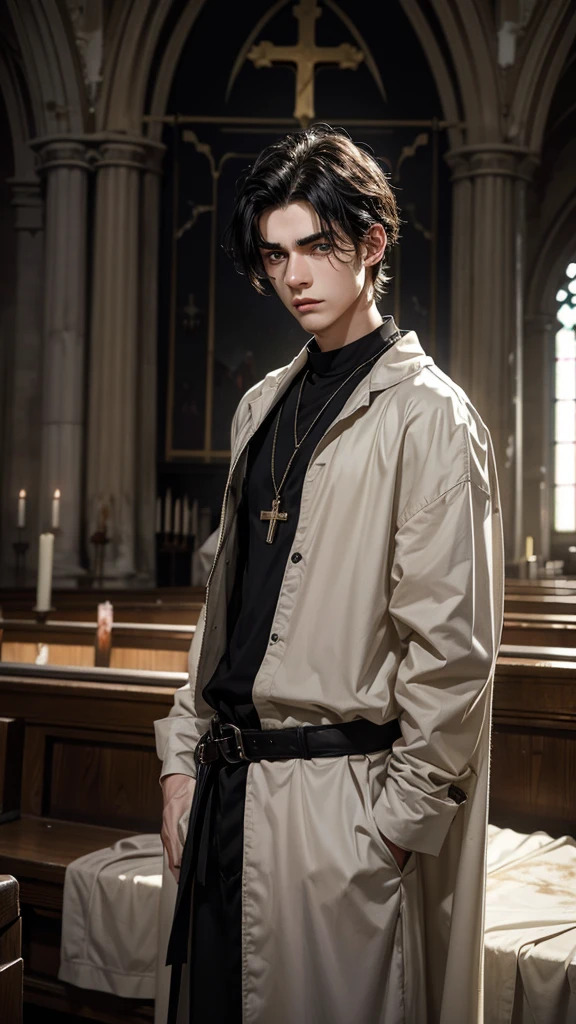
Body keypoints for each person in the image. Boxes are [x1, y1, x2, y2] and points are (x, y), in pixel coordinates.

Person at [154, 124, 504, 1024]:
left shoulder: (430, 419)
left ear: (372, 243)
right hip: (222, 801)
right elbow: (220, 614)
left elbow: (454, 655)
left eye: (316, 246)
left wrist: (390, 832)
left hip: (335, 812)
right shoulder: (258, 405)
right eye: (275, 255)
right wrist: (179, 767)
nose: (293, 276)